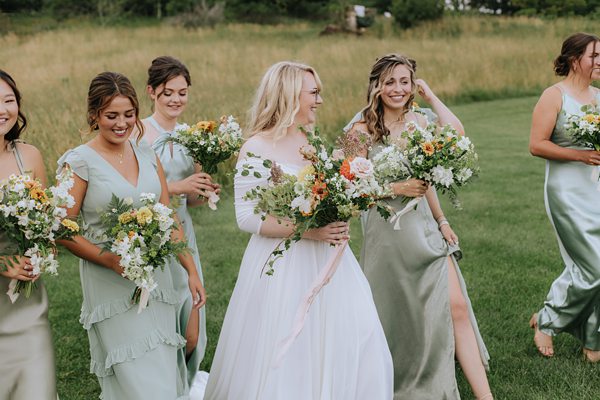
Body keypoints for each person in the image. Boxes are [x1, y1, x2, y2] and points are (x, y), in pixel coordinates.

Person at [204, 61, 393, 400]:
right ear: (291, 95)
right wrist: (310, 232)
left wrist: (341, 207)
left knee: (355, 330)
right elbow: (247, 218)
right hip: (284, 265)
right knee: (290, 344)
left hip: (330, 261)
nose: (320, 100)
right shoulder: (256, 148)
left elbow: (325, 193)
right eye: (314, 93)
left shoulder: (313, 141)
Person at [346, 54, 492, 400]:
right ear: (376, 86)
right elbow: (348, 188)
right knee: (399, 315)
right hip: (389, 236)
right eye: (390, 81)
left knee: (455, 306)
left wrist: (442, 220)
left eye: (405, 81)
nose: (398, 89)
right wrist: (395, 189)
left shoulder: (421, 121)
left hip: (426, 228)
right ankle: (403, 379)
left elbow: (457, 134)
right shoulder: (359, 130)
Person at [57, 71, 206, 399]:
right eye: (111, 115)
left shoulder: (146, 153)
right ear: (94, 115)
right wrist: (108, 260)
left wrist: (191, 269)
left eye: (129, 114)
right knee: (138, 382)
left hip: (158, 279)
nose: (121, 123)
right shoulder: (79, 162)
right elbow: (61, 229)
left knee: (164, 373)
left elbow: (168, 216)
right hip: (110, 283)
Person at [140, 56, 219, 388]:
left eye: (182, 92)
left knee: (192, 324)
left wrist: (203, 187)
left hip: (184, 234)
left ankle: (184, 383)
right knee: (161, 316)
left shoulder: (193, 136)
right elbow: (135, 189)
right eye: (167, 92)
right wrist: (177, 187)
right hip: (152, 234)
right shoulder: (138, 132)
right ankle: (162, 385)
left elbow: (194, 201)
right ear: (151, 92)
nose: (176, 99)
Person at [529, 32, 600, 362]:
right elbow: (537, 144)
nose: (599, 62)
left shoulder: (599, 97)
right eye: (594, 56)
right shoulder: (553, 96)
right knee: (594, 266)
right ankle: (547, 319)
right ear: (575, 60)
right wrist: (579, 155)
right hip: (566, 192)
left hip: (596, 187)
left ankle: (593, 339)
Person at [0, 69, 57, 400]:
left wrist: (42, 254)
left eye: (9, 100)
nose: (3, 110)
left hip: (27, 309)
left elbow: (47, 226)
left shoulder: (29, 155)